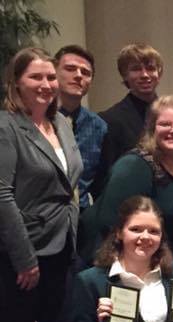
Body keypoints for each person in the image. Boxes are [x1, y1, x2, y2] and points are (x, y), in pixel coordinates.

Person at [0, 47, 88, 322]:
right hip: (22, 257)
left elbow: (69, 185)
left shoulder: (63, 124)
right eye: (36, 77)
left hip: (64, 249)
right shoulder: (6, 126)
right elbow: (2, 195)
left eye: (50, 77)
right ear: (16, 81)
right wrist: (25, 259)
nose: (46, 85)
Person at [79, 95, 173, 272]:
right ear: (152, 129)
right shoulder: (133, 166)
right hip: (130, 264)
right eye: (165, 124)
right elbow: (111, 226)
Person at [96, 43, 163, 199]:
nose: (145, 75)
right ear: (124, 75)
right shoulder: (109, 120)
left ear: (159, 74)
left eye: (151, 68)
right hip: (130, 204)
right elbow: (106, 178)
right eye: (136, 69)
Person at [54, 45, 107, 211]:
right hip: (41, 221)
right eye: (70, 69)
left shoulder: (98, 126)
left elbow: (100, 183)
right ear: (53, 72)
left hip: (81, 217)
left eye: (85, 73)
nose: (78, 76)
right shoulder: (37, 120)